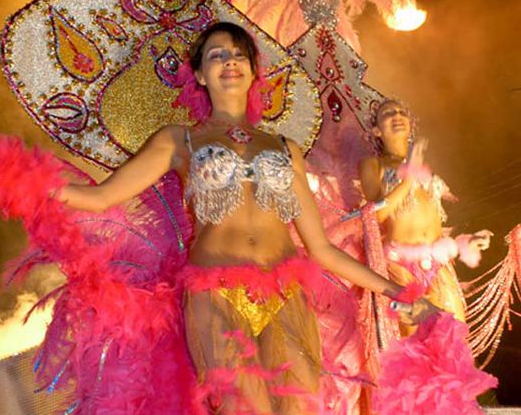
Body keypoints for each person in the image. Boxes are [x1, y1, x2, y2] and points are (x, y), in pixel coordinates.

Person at [59, 23, 429, 414]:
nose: (229, 62)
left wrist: (398, 293)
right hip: (216, 295)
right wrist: (15, 178)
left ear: (254, 71)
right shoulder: (180, 140)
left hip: (286, 295)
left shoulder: (286, 148)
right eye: (216, 55)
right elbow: (98, 198)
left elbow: (320, 249)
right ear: (200, 75)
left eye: (239, 55)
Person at [359, 99, 491, 336]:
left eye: (401, 112)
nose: (397, 115)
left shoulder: (426, 169)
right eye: (388, 113)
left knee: (455, 342)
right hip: (401, 268)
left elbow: (435, 222)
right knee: (415, 349)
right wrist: (408, 178)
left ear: (410, 126)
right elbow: (375, 214)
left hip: (438, 266)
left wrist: (467, 241)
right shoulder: (373, 165)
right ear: (377, 131)